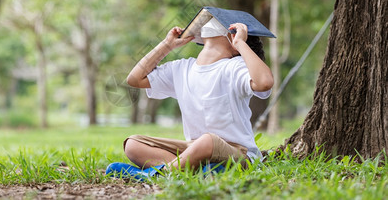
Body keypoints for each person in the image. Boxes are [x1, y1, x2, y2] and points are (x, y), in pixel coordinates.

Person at [106, 17, 274, 179]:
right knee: (133, 144)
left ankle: (160, 174)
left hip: (238, 153)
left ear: (233, 39)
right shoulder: (182, 68)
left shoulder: (234, 67)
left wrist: (240, 44)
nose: (212, 21)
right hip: (194, 149)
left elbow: (265, 82)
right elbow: (134, 79)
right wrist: (167, 45)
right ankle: (196, 170)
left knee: (207, 141)